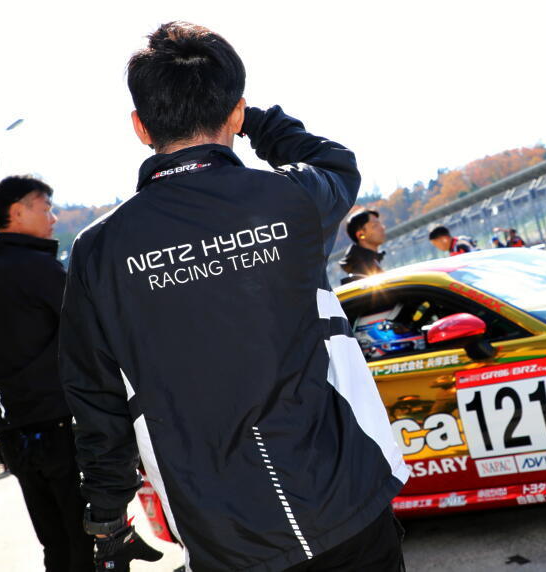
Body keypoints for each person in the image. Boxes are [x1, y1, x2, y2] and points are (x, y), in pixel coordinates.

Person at [59, 21, 408, 571]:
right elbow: (337, 163)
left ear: (140, 126)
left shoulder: (98, 252)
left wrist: (107, 515)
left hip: (224, 534)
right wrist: (258, 121)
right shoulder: (289, 198)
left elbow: (95, 398)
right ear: (235, 111)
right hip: (346, 503)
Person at [0, 176, 94, 571]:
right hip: (60, 422)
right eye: (45, 208)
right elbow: (85, 333)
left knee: (54, 540)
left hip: (14, 429)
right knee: (86, 536)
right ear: (17, 211)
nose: (53, 218)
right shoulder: (38, 268)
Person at [338, 208, 386, 282]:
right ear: (361, 235)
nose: (383, 228)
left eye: (380, 224)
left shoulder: (368, 262)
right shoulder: (364, 271)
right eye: (375, 225)